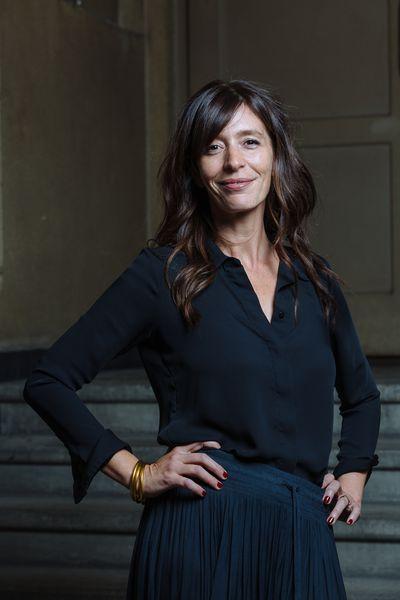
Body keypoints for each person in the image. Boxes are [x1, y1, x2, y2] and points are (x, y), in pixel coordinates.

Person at [23, 79, 381, 600]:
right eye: (213, 146)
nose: (234, 161)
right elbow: (48, 380)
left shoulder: (316, 279)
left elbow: (363, 396)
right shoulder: (162, 275)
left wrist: (352, 474)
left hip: (303, 532)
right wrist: (137, 474)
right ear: (195, 168)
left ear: (276, 155)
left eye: (250, 141)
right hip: (200, 529)